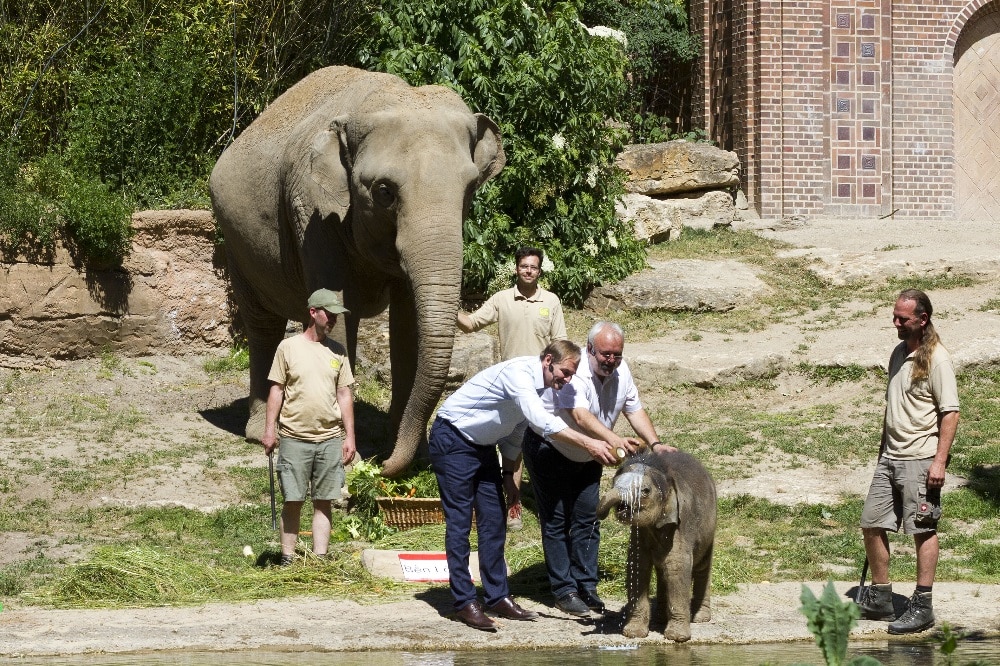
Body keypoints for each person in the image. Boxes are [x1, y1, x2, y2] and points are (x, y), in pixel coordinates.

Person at [429, 340, 619, 632]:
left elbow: (517, 429)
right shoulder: (518, 375)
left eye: (572, 374)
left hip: (482, 446)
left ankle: (497, 596)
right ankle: (465, 602)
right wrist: (590, 443)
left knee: (494, 521)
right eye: (565, 372)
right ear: (547, 361)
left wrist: (508, 474)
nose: (568, 380)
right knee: (460, 522)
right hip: (453, 437)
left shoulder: (544, 385)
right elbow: (540, 421)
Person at [522, 321, 673, 617]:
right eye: (605, 354)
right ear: (590, 349)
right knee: (556, 520)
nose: (611, 360)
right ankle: (564, 590)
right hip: (551, 448)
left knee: (588, 519)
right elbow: (579, 415)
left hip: (592, 453)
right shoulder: (574, 370)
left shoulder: (622, 371)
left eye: (617, 354)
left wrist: (655, 444)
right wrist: (614, 440)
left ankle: (586, 586)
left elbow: (633, 408)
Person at [858, 289, 959, 634]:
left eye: (903, 319)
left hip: (921, 459)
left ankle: (922, 605)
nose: (896, 323)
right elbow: (894, 407)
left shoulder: (937, 359)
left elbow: (950, 413)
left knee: (923, 529)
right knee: (872, 523)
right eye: (895, 317)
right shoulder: (899, 353)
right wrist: (882, 449)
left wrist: (939, 462)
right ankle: (881, 598)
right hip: (889, 457)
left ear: (922, 319)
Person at [457, 247, 567, 531]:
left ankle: (544, 503)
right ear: (516, 268)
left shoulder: (551, 301)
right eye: (524, 266)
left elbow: (560, 342)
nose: (528, 271)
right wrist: (447, 306)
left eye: (533, 267)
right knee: (510, 445)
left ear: (540, 270)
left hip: (542, 387)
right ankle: (509, 504)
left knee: (540, 445)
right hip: (509, 386)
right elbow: (470, 323)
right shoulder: (502, 299)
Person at [262, 289, 357, 565]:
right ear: (313, 312)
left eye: (336, 315)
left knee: (324, 501)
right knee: (293, 499)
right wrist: (269, 429)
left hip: (329, 437)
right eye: (329, 314)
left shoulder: (338, 351)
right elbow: (277, 390)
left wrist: (349, 436)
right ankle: (287, 558)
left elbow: (344, 394)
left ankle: (320, 559)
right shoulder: (288, 347)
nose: (334, 320)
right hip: (294, 437)